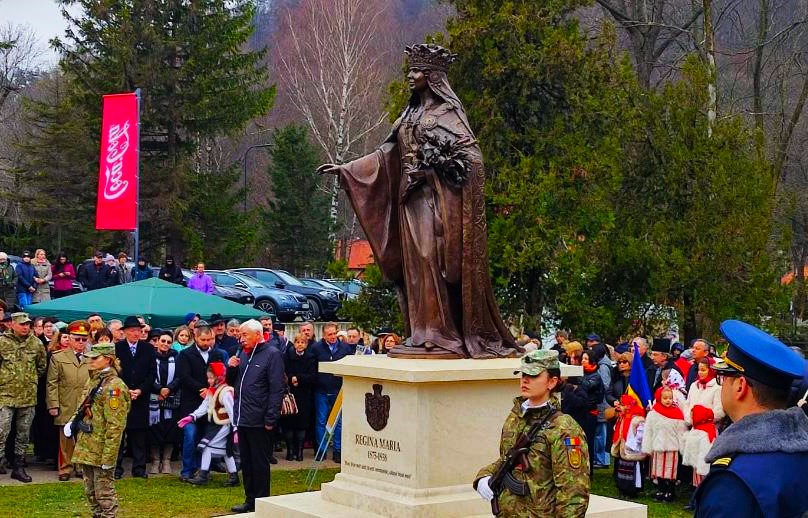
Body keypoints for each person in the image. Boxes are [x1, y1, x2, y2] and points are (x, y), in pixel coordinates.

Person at [318, 43, 518, 359]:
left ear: (433, 76)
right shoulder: (409, 115)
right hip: (407, 200)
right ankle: (421, 331)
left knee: (430, 257)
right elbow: (386, 154)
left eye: (417, 71)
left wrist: (432, 171)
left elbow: (472, 159)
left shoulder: (447, 113)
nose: (411, 77)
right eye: (410, 71)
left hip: (434, 200)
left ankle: (442, 333)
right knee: (413, 265)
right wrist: (349, 169)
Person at [694, 320, 808, 517]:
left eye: (723, 378)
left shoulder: (733, 481)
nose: (722, 385)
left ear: (740, 386)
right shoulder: (800, 454)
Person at [474, 350, 589, 516]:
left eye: (533, 375)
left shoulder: (563, 428)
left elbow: (573, 492)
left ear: (552, 382)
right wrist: (485, 475)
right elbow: (508, 458)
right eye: (523, 374)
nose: (525, 380)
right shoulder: (516, 417)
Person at [226, 319, 285, 514]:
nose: (240, 339)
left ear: (258, 335)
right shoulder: (242, 354)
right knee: (247, 462)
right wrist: (231, 367)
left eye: (245, 335)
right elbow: (232, 383)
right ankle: (249, 499)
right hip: (243, 416)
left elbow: (277, 388)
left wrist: (271, 417)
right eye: (240, 335)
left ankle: (261, 501)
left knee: (259, 463)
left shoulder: (272, 354)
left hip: (260, 419)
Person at [67, 342, 131, 518]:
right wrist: (72, 422)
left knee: (104, 492)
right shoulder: (94, 379)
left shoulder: (114, 386)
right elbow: (83, 406)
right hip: (88, 444)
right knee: (90, 490)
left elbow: (115, 425)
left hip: (102, 447)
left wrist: (109, 457)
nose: (91, 361)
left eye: (96, 358)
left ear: (108, 360)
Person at [176, 323, 226, 482]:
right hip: (191, 404)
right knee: (190, 437)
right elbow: (184, 376)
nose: (206, 343)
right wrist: (201, 389)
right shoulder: (185, 354)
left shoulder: (217, 354)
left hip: (211, 405)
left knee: (206, 438)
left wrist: (212, 390)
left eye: (209, 339)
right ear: (196, 338)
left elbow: (221, 375)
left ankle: (202, 470)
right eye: (203, 340)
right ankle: (187, 470)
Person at [0, 312, 46, 481]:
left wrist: (29, 380)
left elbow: (41, 366)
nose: (25, 327)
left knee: (23, 434)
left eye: (27, 324)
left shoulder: (36, 343)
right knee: (2, 430)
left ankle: (18, 466)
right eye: (22, 324)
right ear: (12, 324)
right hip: (5, 395)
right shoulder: (2, 342)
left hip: (28, 396)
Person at [177, 361, 239, 487]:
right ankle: (233, 477)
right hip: (216, 425)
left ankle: (203, 475)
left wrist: (236, 430)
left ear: (219, 377)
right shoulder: (212, 391)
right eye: (208, 378)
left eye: (211, 378)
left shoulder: (226, 392)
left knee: (206, 447)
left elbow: (233, 412)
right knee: (226, 451)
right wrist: (192, 416)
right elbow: (204, 406)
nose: (209, 381)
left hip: (224, 425)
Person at [47, 320, 91, 480]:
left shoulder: (92, 357)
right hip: (66, 402)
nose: (80, 342)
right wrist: (53, 405)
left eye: (84, 339)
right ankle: (65, 468)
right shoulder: (58, 357)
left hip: (86, 404)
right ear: (70, 338)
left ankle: (80, 467)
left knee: (83, 437)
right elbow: (52, 383)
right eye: (77, 339)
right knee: (65, 439)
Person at [113, 316, 155, 479]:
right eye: (132, 330)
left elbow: (152, 373)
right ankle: (116, 468)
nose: (136, 333)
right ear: (125, 332)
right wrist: (126, 390)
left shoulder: (148, 349)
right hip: (121, 396)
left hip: (140, 397)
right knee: (119, 433)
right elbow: (114, 372)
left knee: (139, 434)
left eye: (138, 330)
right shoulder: (117, 348)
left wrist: (140, 390)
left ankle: (139, 468)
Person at [311, 322, 353, 463]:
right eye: (330, 334)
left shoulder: (344, 348)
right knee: (321, 421)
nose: (333, 336)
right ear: (324, 335)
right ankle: (321, 451)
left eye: (335, 333)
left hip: (338, 390)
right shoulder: (316, 348)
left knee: (339, 422)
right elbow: (312, 368)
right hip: (321, 390)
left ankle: (337, 450)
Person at [641, 385, 687, 501]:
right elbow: (649, 431)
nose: (668, 400)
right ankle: (661, 489)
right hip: (658, 446)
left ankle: (670, 491)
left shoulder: (677, 413)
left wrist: (683, 447)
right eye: (665, 398)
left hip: (672, 447)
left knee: (670, 470)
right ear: (659, 398)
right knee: (658, 469)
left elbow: (681, 432)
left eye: (670, 398)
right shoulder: (653, 414)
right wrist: (647, 446)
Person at [147, 331, 180, 475]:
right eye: (163, 341)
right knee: (154, 431)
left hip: (171, 399)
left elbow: (180, 376)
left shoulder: (177, 358)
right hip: (155, 399)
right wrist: (159, 390)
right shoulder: (150, 357)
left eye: (168, 342)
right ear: (157, 342)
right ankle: (155, 461)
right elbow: (148, 376)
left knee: (170, 431)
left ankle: (166, 461)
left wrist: (169, 389)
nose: (165, 344)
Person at [282, 334, 317, 462]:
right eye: (298, 342)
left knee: (302, 424)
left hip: (304, 394)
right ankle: (290, 451)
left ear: (306, 344)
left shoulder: (311, 358)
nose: (300, 344)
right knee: (289, 424)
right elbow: (284, 372)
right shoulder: (287, 356)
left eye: (303, 342)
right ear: (294, 343)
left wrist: (299, 378)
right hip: (290, 394)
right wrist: (291, 379)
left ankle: (300, 452)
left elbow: (313, 376)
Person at [610, 394, 646, 497]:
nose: (619, 406)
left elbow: (641, 434)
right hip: (624, 449)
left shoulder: (637, 419)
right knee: (623, 469)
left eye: (622, 404)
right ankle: (623, 488)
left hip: (633, 449)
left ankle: (632, 490)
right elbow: (616, 429)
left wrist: (634, 444)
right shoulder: (623, 418)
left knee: (633, 471)